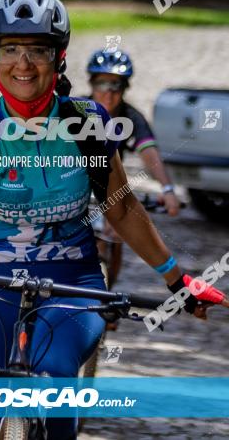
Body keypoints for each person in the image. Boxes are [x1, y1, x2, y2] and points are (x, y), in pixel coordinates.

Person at [0, 0, 229, 440]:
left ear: (60, 57)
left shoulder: (88, 127)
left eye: (38, 50)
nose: (23, 63)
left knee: (53, 390)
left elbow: (123, 209)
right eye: (10, 49)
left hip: (74, 284)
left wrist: (175, 279)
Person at [85, 48, 180, 292]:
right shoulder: (77, 110)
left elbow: (150, 153)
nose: (108, 91)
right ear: (91, 84)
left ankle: (108, 296)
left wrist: (167, 189)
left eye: (115, 84)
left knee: (118, 229)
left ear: (125, 88)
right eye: (101, 83)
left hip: (109, 186)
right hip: (76, 185)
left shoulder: (131, 117)